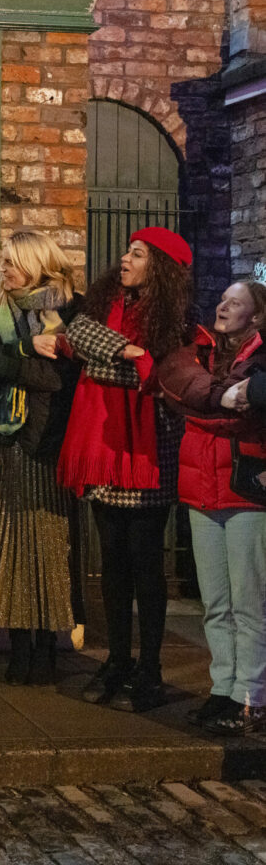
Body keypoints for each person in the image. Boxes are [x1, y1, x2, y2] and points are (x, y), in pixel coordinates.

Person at [52, 226, 192, 713]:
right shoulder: (106, 300)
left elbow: (160, 376)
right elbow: (78, 332)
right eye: (127, 251)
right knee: (111, 561)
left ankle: (149, 668)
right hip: (104, 447)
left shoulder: (177, 319)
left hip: (148, 452)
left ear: (160, 265)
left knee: (146, 565)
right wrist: (128, 353)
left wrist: (106, 360)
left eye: (136, 253)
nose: (124, 259)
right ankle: (116, 659)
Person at [0, 232, 83, 686]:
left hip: (49, 442)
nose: (5, 268)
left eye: (13, 262)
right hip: (8, 444)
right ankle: (20, 646)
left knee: (47, 550)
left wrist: (0, 361)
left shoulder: (71, 310)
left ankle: (47, 646)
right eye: (4, 260)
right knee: (9, 547)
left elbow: (57, 379)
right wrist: (25, 352)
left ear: (36, 264)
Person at [155, 279, 266, 733]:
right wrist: (210, 401)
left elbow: (248, 406)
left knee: (249, 604)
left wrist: (199, 404)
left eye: (234, 302)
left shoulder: (260, 358)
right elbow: (176, 389)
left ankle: (250, 697)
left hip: (245, 494)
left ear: (255, 316)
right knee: (215, 603)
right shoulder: (198, 352)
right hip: (200, 490)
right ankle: (222, 689)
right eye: (222, 299)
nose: (222, 307)